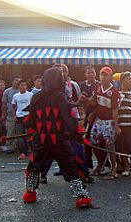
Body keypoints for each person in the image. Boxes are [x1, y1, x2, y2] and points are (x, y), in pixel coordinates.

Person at [22, 68, 92, 208]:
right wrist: (75, 134)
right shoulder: (60, 96)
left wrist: (38, 132)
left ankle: (30, 193)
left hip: (41, 140)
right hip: (59, 140)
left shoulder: (36, 97)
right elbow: (67, 118)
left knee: (35, 166)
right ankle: (81, 197)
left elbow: (31, 121)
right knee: (69, 166)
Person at [89, 66, 121, 180]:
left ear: (110, 77)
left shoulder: (114, 91)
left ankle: (113, 169)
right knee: (93, 142)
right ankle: (100, 164)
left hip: (109, 120)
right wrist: (85, 100)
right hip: (99, 119)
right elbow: (95, 103)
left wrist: (116, 126)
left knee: (110, 145)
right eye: (101, 74)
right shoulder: (97, 87)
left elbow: (115, 111)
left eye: (106, 75)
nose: (103, 77)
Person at [80, 66, 99, 169]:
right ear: (85, 74)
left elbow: (98, 102)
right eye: (89, 73)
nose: (91, 74)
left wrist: (87, 100)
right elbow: (82, 101)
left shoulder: (98, 85)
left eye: (93, 72)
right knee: (86, 139)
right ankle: (88, 163)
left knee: (97, 139)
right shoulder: (82, 85)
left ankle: (103, 163)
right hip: (87, 114)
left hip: (97, 115)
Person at [12, 80, 33, 159]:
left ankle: (32, 150)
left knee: (30, 134)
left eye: (24, 85)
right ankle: (23, 152)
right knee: (20, 136)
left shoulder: (30, 95)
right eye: (21, 85)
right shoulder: (16, 96)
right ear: (19, 86)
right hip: (19, 117)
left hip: (28, 116)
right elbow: (13, 106)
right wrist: (14, 116)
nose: (23, 87)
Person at [1, 75, 21, 153]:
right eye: (16, 80)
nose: (18, 82)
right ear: (12, 82)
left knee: (20, 132)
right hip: (10, 115)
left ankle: (19, 146)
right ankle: (9, 147)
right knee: (10, 131)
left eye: (19, 81)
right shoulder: (7, 91)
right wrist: (3, 114)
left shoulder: (23, 90)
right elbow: (4, 104)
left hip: (21, 115)